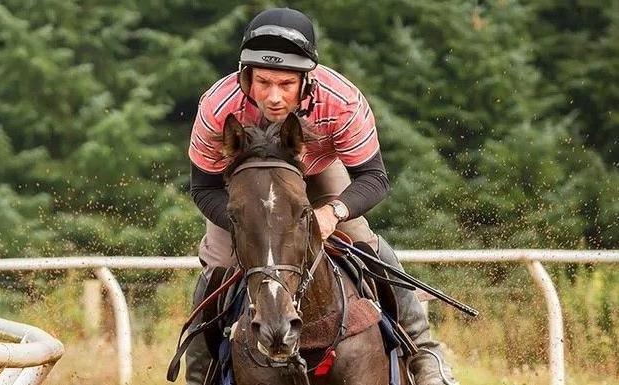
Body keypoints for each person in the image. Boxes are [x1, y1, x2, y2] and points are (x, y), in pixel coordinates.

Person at [187, 7, 457, 385]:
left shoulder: (341, 101)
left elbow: (373, 178)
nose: (274, 97)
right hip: (244, 191)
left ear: (306, 79)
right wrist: (249, 221)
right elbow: (202, 187)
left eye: (285, 84)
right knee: (217, 264)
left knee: (367, 244)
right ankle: (200, 373)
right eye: (263, 82)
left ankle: (426, 355)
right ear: (246, 76)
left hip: (316, 174)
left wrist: (334, 212)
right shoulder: (218, 106)